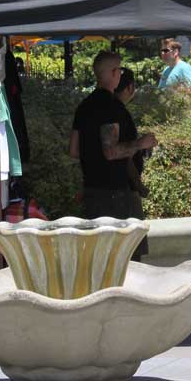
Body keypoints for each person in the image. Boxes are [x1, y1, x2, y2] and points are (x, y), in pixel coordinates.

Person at [69, 51, 158, 220]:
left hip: (91, 191)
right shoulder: (111, 106)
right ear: (113, 72)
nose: (120, 74)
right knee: (129, 245)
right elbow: (110, 152)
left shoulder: (84, 105)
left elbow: (73, 150)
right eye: (120, 70)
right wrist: (141, 143)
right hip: (114, 195)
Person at [112, 67, 150, 259]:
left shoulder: (102, 108)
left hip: (107, 190)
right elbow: (122, 156)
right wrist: (138, 185)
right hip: (124, 192)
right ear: (130, 87)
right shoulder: (118, 112)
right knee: (132, 255)